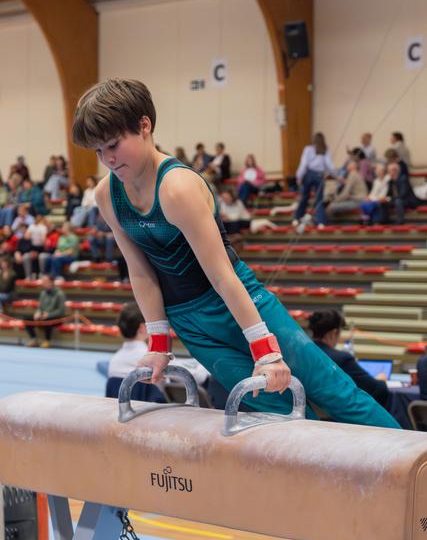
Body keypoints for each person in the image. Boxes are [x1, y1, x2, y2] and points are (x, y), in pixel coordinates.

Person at [71, 77, 400, 429]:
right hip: (191, 325)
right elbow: (140, 272)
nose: (107, 159)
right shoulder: (108, 196)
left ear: (144, 125)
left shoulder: (177, 188)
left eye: (113, 145)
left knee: (336, 393)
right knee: (273, 411)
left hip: (237, 303)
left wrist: (266, 349)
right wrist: (159, 343)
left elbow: (221, 275)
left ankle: (412, 469)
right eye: (98, 151)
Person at [308, 309, 390, 409]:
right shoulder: (341, 359)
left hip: (307, 414)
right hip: (336, 417)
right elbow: (375, 389)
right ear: (334, 332)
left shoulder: (301, 354)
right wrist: (381, 380)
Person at [293, 132, 335, 228]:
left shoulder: (308, 149)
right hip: (319, 176)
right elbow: (329, 165)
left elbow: (303, 164)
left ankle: (297, 218)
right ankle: (320, 222)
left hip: (309, 175)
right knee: (319, 199)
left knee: (304, 197)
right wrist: (335, 174)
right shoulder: (325, 150)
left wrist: (298, 176)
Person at [24, 274, 66, 348]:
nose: (43, 283)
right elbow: (40, 307)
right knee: (27, 318)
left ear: (52, 282)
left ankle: (47, 340)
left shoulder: (60, 294)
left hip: (56, 317)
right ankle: (33, 339)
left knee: (48, 320)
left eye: (45, 281)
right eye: (43, 281)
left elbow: (61, 311)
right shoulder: (43, 293)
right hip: (43, 316)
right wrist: (38, 313)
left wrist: (49, 315)